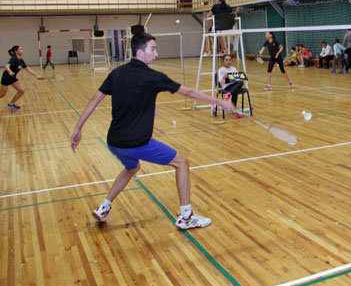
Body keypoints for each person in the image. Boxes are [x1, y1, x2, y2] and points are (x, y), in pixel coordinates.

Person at [70, 32, 235, 229]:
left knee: (132, 168)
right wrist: (220, 102)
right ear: (140, 52)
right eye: (153, 49)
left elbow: (94, 100)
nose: (156, 54)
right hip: (136, 143)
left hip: (114, 142)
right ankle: (186, 216)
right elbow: (190, 92)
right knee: (182, 163)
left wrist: (78, 128)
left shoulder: (117, 73)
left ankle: (104, 208)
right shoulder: (153, 77)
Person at [1, 45, 45, 109]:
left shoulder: (21, 60)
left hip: (13, 78)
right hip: (6, 77)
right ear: (16, 51)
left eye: (22, 49)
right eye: (21, 49)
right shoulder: (14, 58)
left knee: (21, 91)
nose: (22, 50)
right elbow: (7, 66)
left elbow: (28, 69)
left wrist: (37, 76)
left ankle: (11, 104)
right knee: (2, 95)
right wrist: (10, 71)